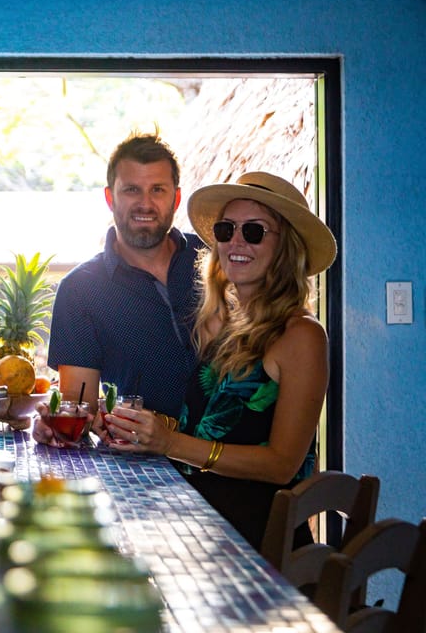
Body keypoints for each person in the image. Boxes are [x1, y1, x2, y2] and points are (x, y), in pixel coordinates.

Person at [100, 171, 337, 550]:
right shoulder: (222, 324)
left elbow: (282, 464)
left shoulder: (302, 335)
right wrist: (142, 426)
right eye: (227, 230)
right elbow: (210, 428)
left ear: (286, 248)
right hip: (195, 522)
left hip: (253, 544)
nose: (236, 242)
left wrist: (168, 442)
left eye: (254, 231)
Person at [34, 132, 204, 446]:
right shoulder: (80, 291)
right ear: (110, 198)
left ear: (176, 198)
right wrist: (55, 425)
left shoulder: (216, 262)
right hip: (145, 469)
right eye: (131, 190)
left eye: (158, 190)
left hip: (237, 464)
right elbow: (78, 407)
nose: (145, 203)